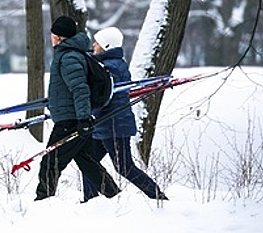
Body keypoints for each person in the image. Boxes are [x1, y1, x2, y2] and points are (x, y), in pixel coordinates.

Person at [35, 16, 120, 201]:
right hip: (74, 118)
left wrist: (83, 119)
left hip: (72, 120)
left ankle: (42, 202)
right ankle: (115, 197)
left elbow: (80, 89)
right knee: (88, 162)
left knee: (50, 162)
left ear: (57, 37)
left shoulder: (69, 57)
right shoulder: (70, 54)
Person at [82, 27, 168, 202]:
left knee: (124, 167)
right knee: (88, 162)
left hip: (114, 124)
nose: (94, 45)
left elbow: (101, 96)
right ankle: (90, 201)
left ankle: (158, 198)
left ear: (106, 45)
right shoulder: (109, 64)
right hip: (104, 124)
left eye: (97, 43)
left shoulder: (110, 67)